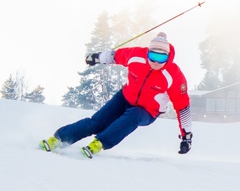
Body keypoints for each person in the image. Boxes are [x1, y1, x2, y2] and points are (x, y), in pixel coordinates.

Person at [39, 32, 193, 158]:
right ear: (148, 52)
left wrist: (186, 136)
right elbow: (115, 55)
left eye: (162, 58)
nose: (157, 62)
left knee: (134, 115)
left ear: (168, 56)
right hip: (125, 98)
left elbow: (183, 106)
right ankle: (58, 139)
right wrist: (97, 58)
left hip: (147, 111)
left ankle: (99, 144)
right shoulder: (136, 55)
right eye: (153, 57)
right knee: (97, 122)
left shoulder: (174, 75)